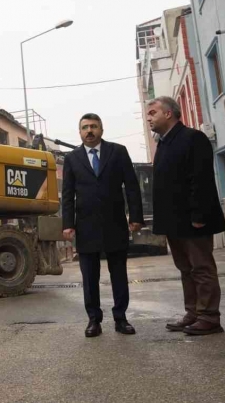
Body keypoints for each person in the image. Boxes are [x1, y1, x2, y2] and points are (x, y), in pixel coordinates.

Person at [147, 97, 225, 336]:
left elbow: (200, 179)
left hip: (194, 219)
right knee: (185, 268)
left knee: (201, 267)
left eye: (153, 112)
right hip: (174, 222)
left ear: (169, 113)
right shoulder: (163, 143)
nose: (149, 117)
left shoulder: (193, 138)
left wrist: (199, 214)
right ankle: (193, 313)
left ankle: (209, 317)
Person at [62, 113, 144, 338]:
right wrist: (67, 224)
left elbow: (131, 186)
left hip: (115, 223)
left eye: (94, 127)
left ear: (101, 129)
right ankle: (93, 320)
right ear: (79, 132)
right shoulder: (72, 159)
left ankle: (121, 318)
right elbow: (67, 194)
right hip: (86, 226)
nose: (89, 131)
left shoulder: (118, 152)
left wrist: (135, 216)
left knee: (118, 273)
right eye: (85, 127)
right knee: (89, 277)